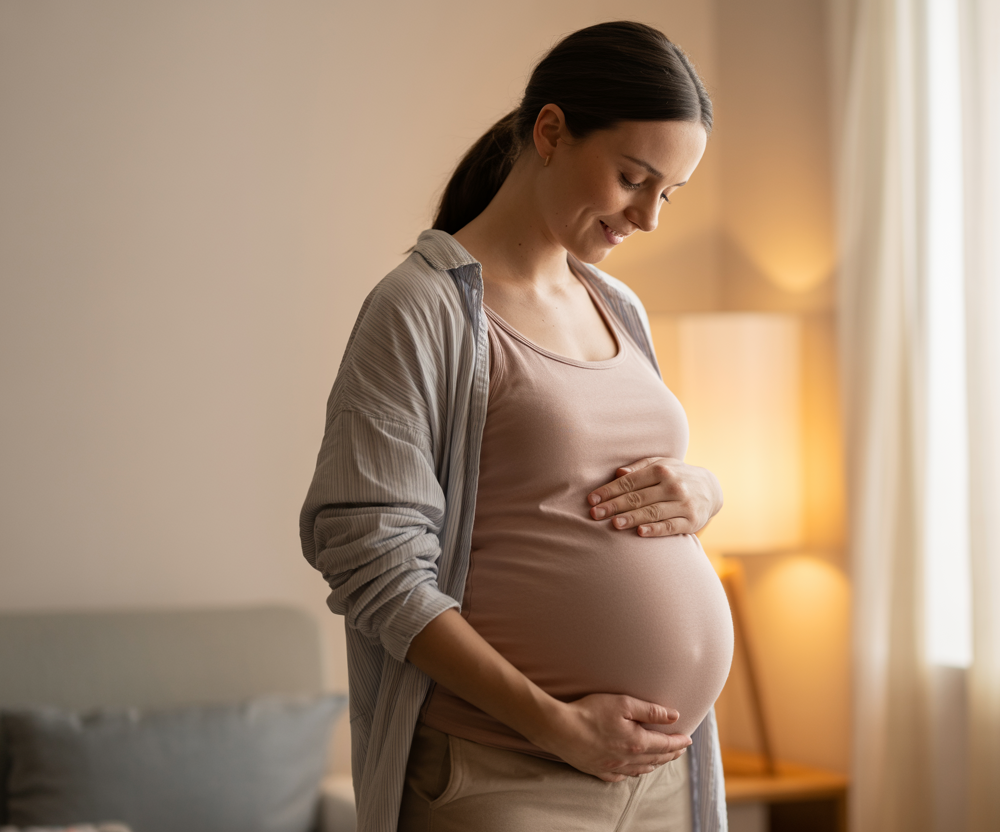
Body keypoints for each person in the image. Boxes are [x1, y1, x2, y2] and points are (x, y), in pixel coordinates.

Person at [300, 20, 734, 832]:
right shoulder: (422, 310)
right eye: (634, 178)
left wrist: (703, 492)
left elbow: (596, 483)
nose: (648, 219)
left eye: (667, 193)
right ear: (550, 132)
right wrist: (558, 725)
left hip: (663, 777)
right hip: (506, 773)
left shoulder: (619, 306)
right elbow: (373, 565)